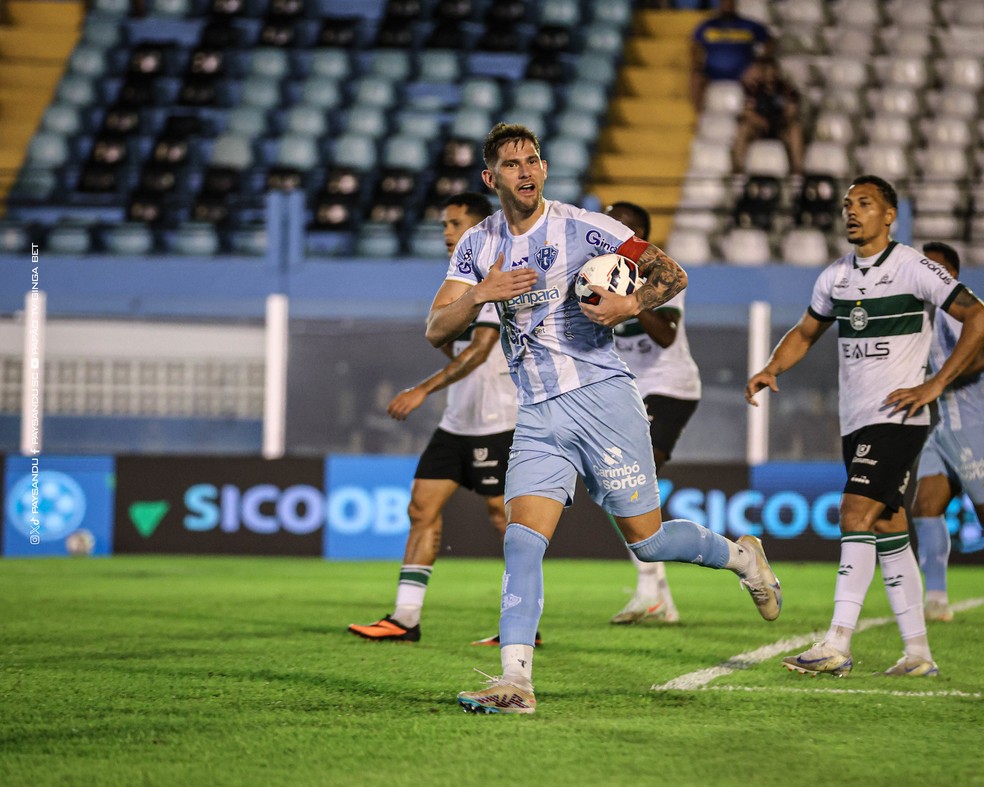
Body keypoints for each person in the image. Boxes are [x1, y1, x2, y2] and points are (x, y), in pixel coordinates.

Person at [430, 123, 781, 714]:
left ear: (544, 168)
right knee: (521, 542)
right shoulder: (478, 244)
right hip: (537, 413)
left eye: (533, 160)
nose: (525, 171)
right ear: (491, 178)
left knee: (648, 541)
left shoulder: (586, 228)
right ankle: (516, 682)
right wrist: (479, 295)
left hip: (604, 402)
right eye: (512, 164)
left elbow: (672, 274)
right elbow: (436, 327)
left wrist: (630, 303)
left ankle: (744, 558)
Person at [745, 175, 984, 677]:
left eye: (865, 203)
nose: (852, 211)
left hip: (898, 416)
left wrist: (936, 383)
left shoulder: (913, 266)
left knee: (854, 512)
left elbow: (977, 316)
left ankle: (837, 642)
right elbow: (806, 331)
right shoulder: (835, 276)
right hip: (856, 419)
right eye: (848, 204)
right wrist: (771, 367)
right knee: (888, 526)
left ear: (889, 215)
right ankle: (918, 653)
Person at [347, 192, 526, 643]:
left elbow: (480, 351)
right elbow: (448, 342)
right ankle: (405, 618)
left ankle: (525, 622)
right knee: (420, 509)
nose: (446, 232)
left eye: (454, 224)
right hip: (457, 423)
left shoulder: (496, 276)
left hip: (498, 422)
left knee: (503, 518)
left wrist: (423, 389)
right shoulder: (458, 284)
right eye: (444, 225)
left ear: (478, 228)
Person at [604, 201, 702, 625]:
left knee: (634, 478)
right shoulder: (594, 273)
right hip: (628, 391)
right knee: (619, 486)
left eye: (622, 227)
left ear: (641, 236)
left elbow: (665, 337)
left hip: (670, 388)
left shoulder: (660, 273)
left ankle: (652, 591)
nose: (611, 232)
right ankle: (656, 594)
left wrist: (632, 299)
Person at [911, 242, 984, 623]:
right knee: (926, 507)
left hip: (975, 425)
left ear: (950, 275)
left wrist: (938, 381)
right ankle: (936, 600)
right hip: (946, 430)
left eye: (932, 267)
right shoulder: (928, 315)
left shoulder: (961, 311)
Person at [690, 0, 773, 110]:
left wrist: (762, 59)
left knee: (759, 73)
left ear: (735, 5)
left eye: (730, 3)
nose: (727, 6)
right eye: (725, 4)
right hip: (712, 72)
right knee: (696, 78)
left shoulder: (749, 25)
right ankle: (700, 115)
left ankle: (752, 113)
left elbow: (769, 41)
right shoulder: (708, 25)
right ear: (720, 5)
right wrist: (697, 63)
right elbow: (695, 44)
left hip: (743, 72)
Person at [731, 55, 804, 177]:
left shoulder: (786, 89)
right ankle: (738, 169)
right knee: (743, 128)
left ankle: (797, 170)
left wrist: (779, 121)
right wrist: (761, 122)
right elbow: (747, 112)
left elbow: (792, 110)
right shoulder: (754, 89)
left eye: (773, 71)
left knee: (795, 129)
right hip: (759, 128)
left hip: (780, 127)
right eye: (767, 71)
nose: (770, 75)